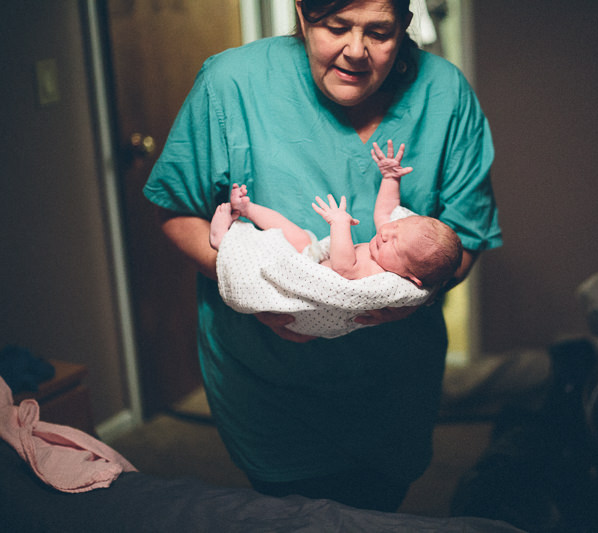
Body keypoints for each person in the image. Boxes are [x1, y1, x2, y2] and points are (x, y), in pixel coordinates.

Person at [144, 0, 501, 513]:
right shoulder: (232, 83)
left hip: (393, 381)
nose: (356, 51)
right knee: (289, 512)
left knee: (379, 509)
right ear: (303, 13)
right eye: (337, 27)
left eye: (379, 32)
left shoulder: (445, 94)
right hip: (268, 377)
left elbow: (467, 233)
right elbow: (176, 211)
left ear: (405, 24)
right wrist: (258, 288)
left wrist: (410, 299)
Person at [209, 140, 462, 289]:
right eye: (396, 228)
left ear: (411, 277)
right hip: (315, 258)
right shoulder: (392, 241)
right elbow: (387, 210)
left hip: (304, 278)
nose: (385, 233)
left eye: (394, 244)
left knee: (269, 259)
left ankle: (225, 243)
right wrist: (390, 177)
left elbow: (344, 268)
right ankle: (247, 209)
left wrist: (340, 223)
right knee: (295, 235)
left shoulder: (384, 280)